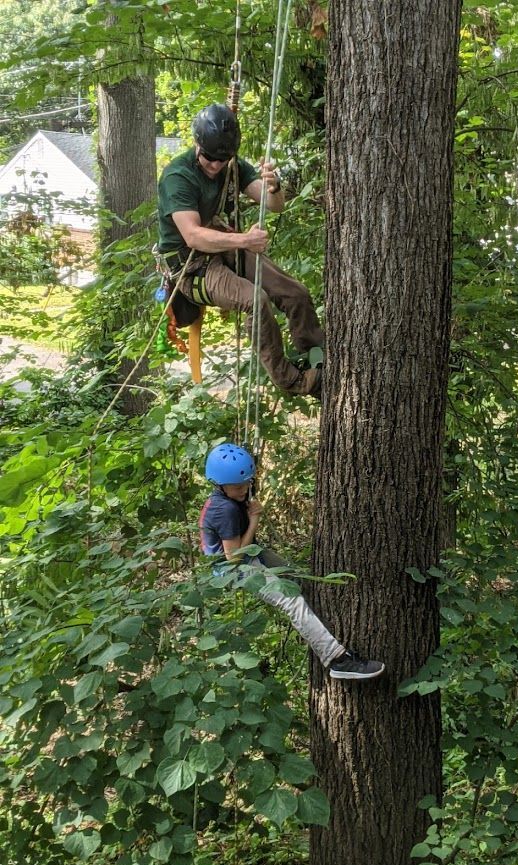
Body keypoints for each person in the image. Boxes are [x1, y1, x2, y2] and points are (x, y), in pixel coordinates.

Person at [157, 102, 323, 398]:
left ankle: (317, 356)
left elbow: (274, 205)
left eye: (222, 159)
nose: (215, 165)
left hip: (225, 249)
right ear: (197, 144)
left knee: (295, 293)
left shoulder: (231, 166)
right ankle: (295, 382)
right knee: (254, 300)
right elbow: (193, 236)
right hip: (191, 268)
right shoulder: (178, 177)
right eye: (209, 158)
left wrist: (274, 186)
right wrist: (245, 241)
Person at [199, 443, 385, 681]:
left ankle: (310, 629)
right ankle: (336, 659)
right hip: (233, 569)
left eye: (247, 483)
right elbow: (233, 558)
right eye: (238, 487)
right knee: (291, 601)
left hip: (249, 554)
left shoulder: (228, 496)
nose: (245, 489)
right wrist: (254, 519)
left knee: (297, 578)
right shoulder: (224, 510)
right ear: (220, 485)